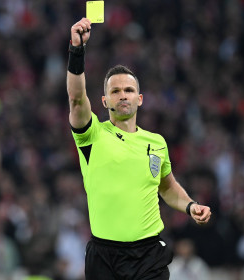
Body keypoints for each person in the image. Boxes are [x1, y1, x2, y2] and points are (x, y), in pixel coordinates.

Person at [66, 18, 211, 279]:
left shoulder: (156, 142)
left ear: (139, 99)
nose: (123, 95)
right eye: (116, 91)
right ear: (104, 100)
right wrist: (77, 50)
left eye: (129, 90)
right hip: (104, 256)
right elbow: (76, 100)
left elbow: (166, 187)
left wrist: (190, 206)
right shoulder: (92, 135)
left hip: (148, 256)